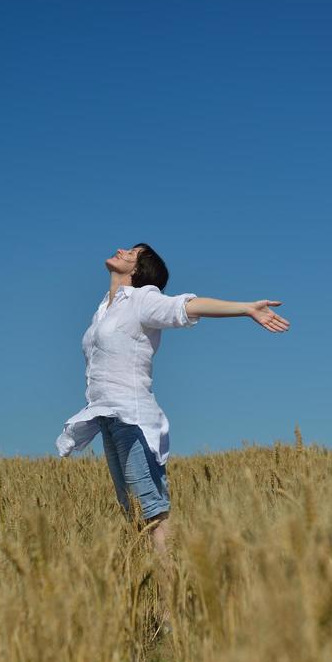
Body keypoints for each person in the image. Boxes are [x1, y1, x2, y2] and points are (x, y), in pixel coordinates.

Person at [56, 243, 290, 632]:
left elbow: (189, 306)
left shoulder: (144, 300)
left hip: (131, 418)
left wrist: (246, 307)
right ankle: (164, 603)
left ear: (138, 268)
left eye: (130, 252)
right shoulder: (104, 309)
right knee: (135, 515)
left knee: (152, 513)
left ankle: (173, 610)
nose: (120, 250)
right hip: (107, 418)